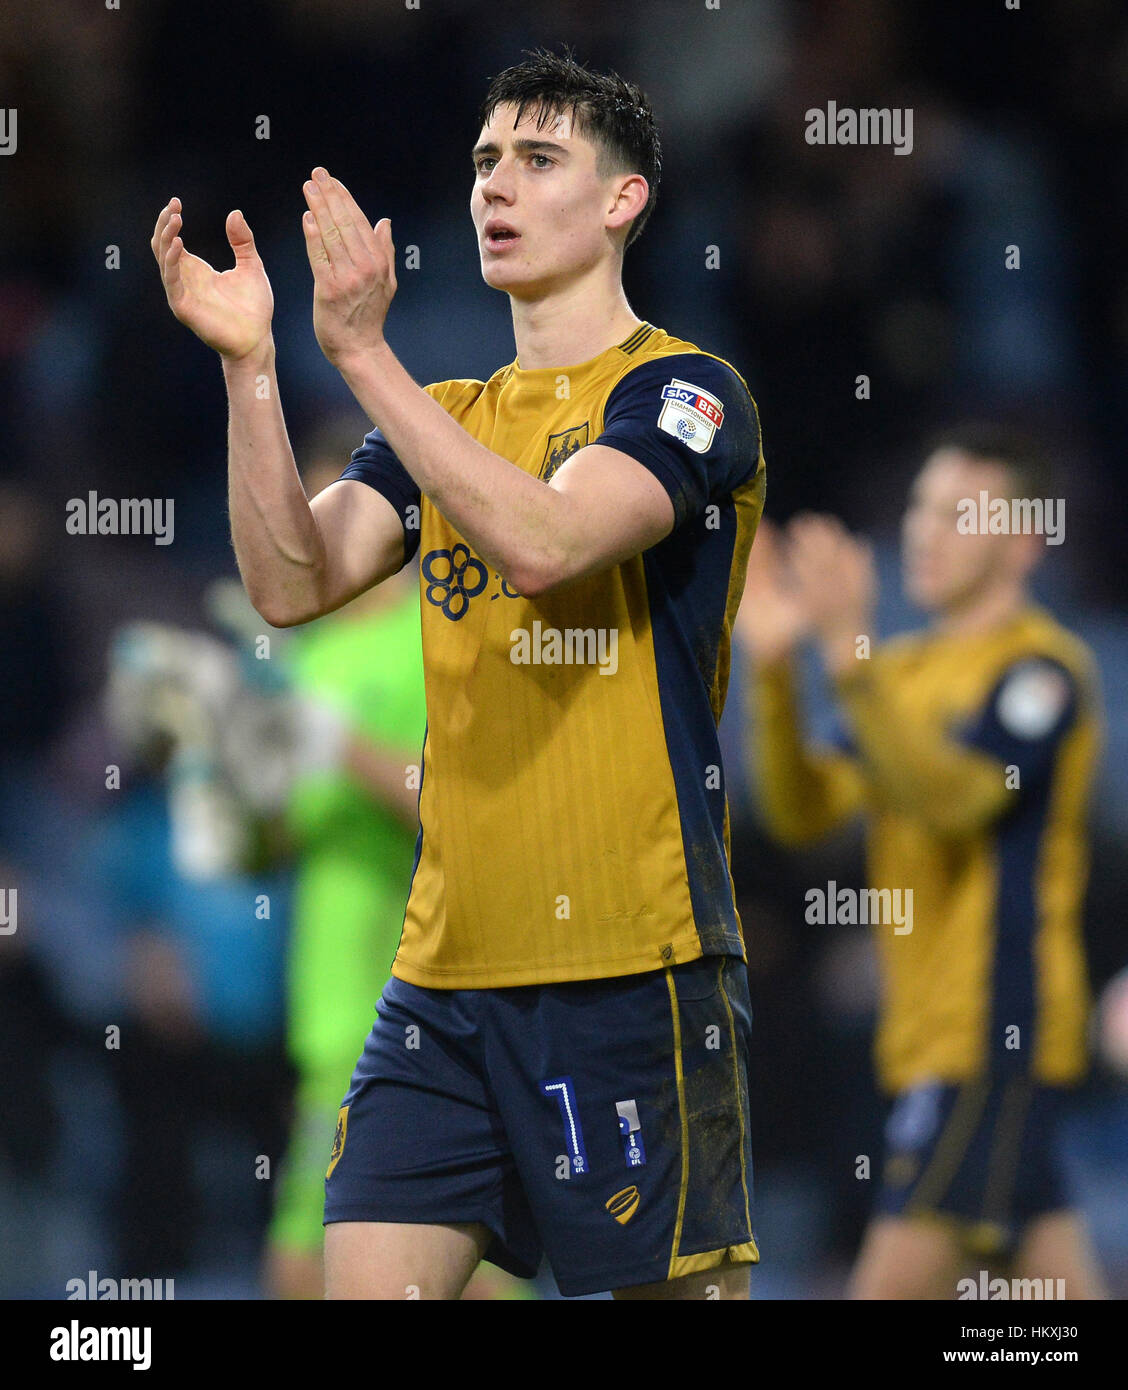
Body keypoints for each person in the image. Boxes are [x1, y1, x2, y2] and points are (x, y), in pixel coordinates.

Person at [152, 48, 765, 1300]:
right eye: (486, 159)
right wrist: (252, 364)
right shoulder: (445, 414)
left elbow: (546, 542)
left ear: (621, 200)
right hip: (440, 985)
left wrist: (362, 355)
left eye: (540, 160)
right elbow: (290, 581)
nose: (496, 184)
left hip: (625, 968)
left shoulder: (687, 391)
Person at [736, 426, 1107, 1299]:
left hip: (992, 1035)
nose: (923, 531)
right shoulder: (896, 673)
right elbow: (803, 812)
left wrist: (849, 657)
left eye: (956, 513)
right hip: (932, 1049)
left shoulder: (1042, 672)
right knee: (1042, 1302)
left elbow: (959, 797)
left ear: (1022, 541)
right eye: (918, 508)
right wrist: (778, 672)